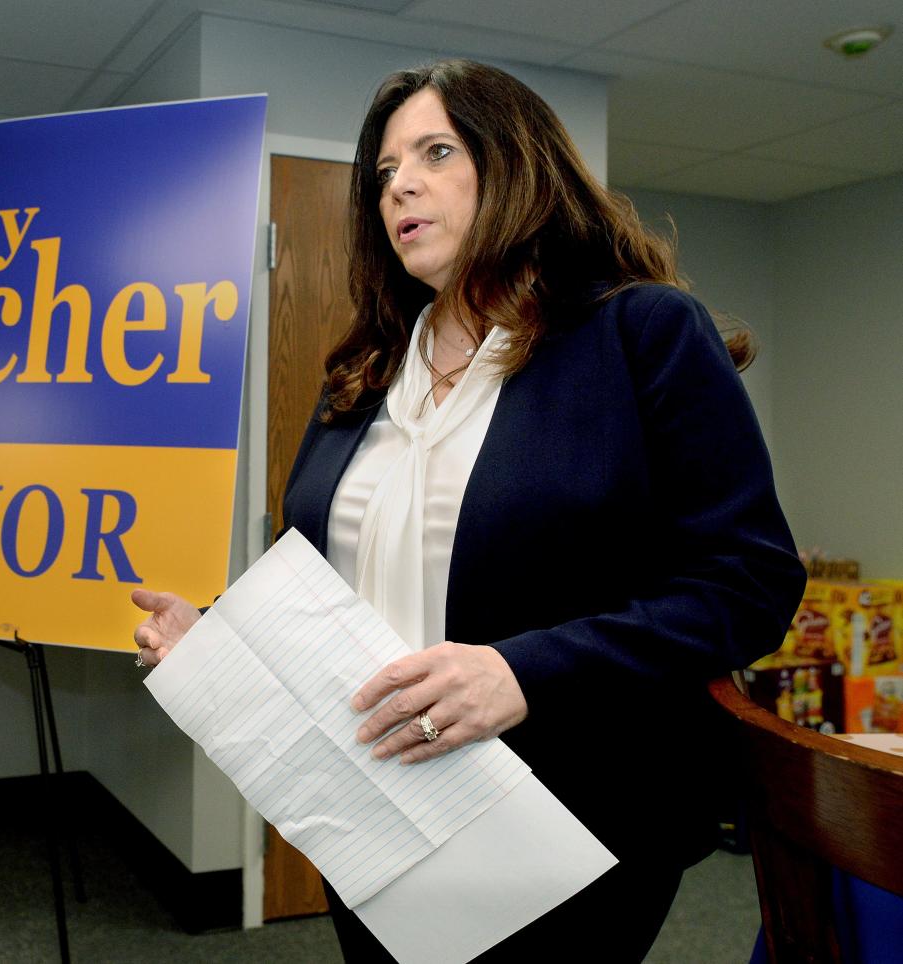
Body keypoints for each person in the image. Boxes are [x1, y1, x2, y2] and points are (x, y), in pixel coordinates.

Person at [131, 59, 806, 962]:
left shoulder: (638, 332)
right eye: (382, 173)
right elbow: (330, 584)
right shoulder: (365, 371)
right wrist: (216, 637)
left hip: (566, 812)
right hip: (370, 805)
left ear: (517, 168)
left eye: (434, 152)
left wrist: (521, 672)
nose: (398, 184)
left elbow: (748, 583)